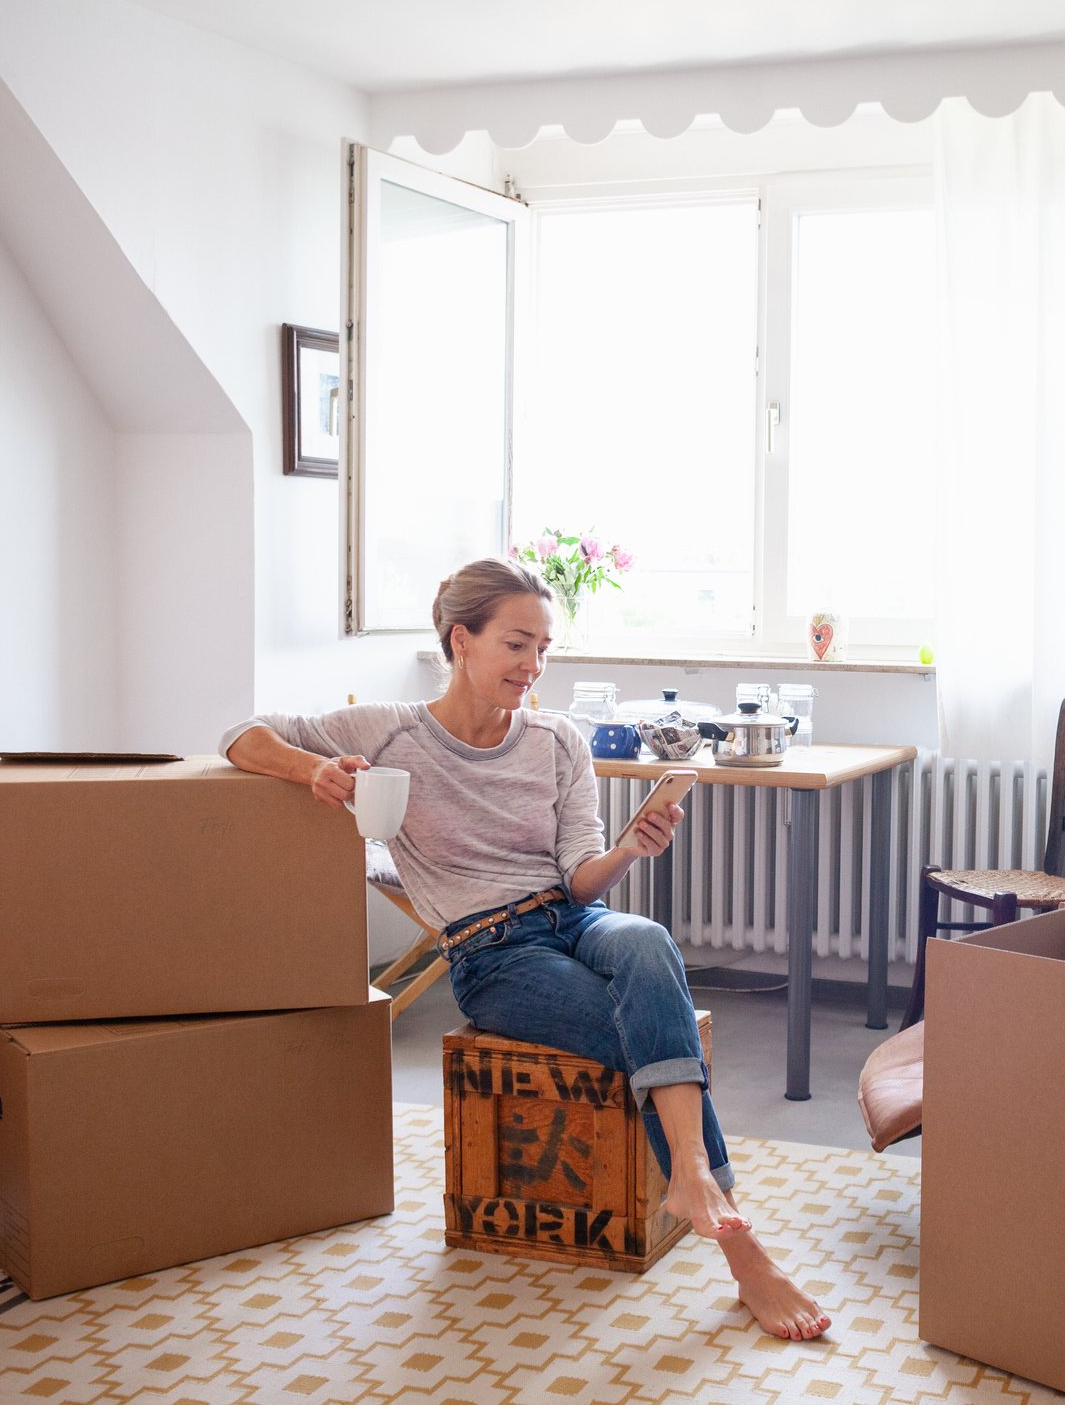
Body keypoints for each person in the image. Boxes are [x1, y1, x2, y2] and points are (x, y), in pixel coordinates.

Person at [220, 556, 830, 1341]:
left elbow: (580, 881)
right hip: (489, 954)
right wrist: (316, 771)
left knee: (645, 940)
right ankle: (747, 1256)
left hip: (572, 920)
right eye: (516, 645)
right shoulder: (389, 730)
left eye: (543, 647)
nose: (532, 666)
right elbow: (241, 736)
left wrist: (630, 852)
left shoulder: (556, 739)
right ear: (460, 641)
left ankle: (692, 1179)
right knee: (647, 1029)